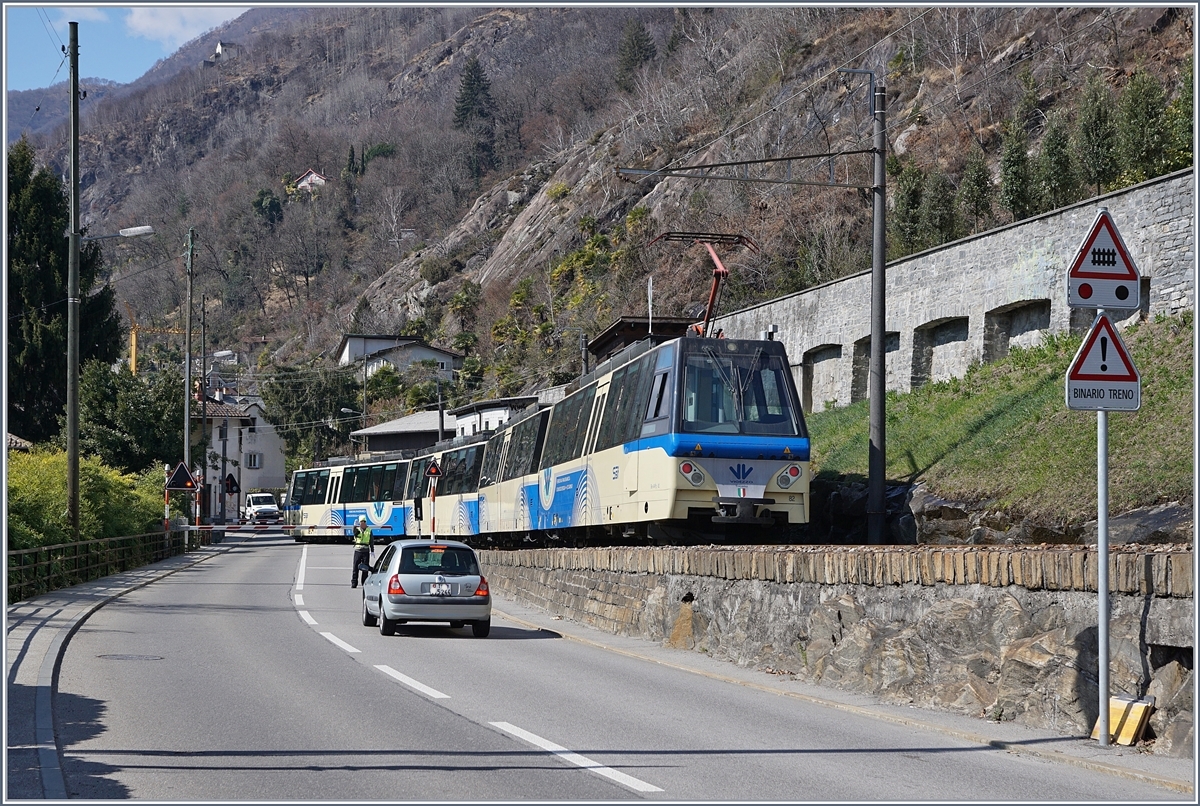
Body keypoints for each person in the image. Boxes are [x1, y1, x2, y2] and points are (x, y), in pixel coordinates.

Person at [350, 516, 373, 588]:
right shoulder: (357, 529)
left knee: (365, 568)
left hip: (366, 551)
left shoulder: (369, 530)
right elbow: (354, 533)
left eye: (364, 521)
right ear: (359, 523)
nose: (363, 523)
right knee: (355, 568)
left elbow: (371, 541)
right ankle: (354, 583)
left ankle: (364, 583)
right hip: (358, 551)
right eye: (361, 522)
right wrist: (354, 526)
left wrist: (372, 550)